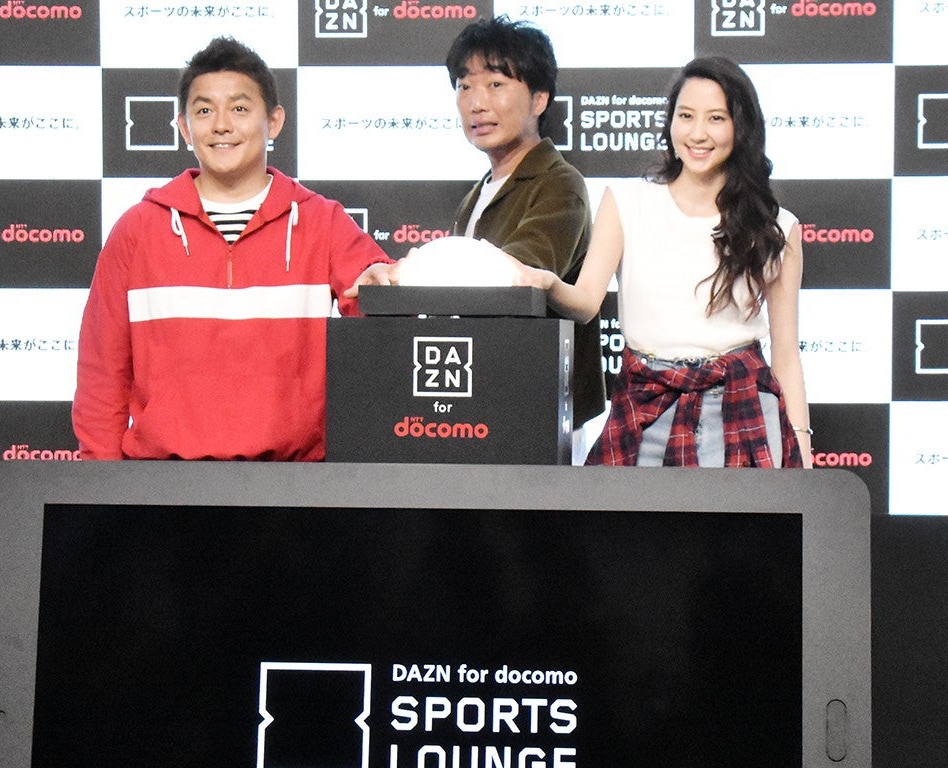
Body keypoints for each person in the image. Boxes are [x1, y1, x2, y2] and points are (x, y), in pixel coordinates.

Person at [73, 37, 393, 461]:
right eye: (204, 111)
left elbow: (380, 311)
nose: (221, 125)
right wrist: (102, 488)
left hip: (292, 486)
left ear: (273, 122)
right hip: (161, 486)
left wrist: (383, 290)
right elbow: (101, 376)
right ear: (184, 127)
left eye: (240, 109)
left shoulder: (322, 221)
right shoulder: (137, 230)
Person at [508, 56, 813, 469]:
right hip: (643, 402)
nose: (698, 133)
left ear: (741, 127)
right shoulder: (627, 202)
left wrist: (801, 450)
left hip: (741, 406)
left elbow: (787, 354)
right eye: (686, 116)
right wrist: (549, 283)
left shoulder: (777, 227)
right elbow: (585, 302)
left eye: (716, 118)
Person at [445, 17, 603, 426]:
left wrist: (422, 269)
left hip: (543, 411)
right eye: (464, 86)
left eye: (496, 84)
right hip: (485, 399)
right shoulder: (475, 195)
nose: (477, 103)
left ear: (539, 100)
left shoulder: (560, 183)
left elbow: (519, 272)